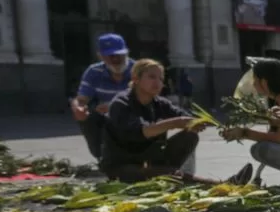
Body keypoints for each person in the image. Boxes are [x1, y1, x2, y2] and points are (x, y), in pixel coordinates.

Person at [103, 59, 253, 185]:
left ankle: (169, 173)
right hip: (124, 165)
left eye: (161, 79)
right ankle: (224, 184)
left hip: (151, 158)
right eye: (152, 77)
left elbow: (183, 116)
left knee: (190, 135)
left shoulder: (159, 103)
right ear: (135, 79)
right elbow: (142, 131)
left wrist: (209, 123)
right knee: (169, 174)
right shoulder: (121, 103)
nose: (158, 82)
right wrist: (176, 122)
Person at [220, 57, 280, 173]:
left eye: (255, 79)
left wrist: (244, 133)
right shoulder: (279, 98)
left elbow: (279, 138)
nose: (253, 84)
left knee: (263, 149)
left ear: (264, 82)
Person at [72, 34, 134, 161]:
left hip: (134, 115)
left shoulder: (138, 70)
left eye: (119, 55)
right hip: (106, 117)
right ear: (100, 56)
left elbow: (149, 99)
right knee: (89, 118)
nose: (115, 59)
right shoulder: (93, 71)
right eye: (110, 56)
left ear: (126, 53)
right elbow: (81, 99)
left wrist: (115, 107)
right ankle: (102, 156)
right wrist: (78, 108)